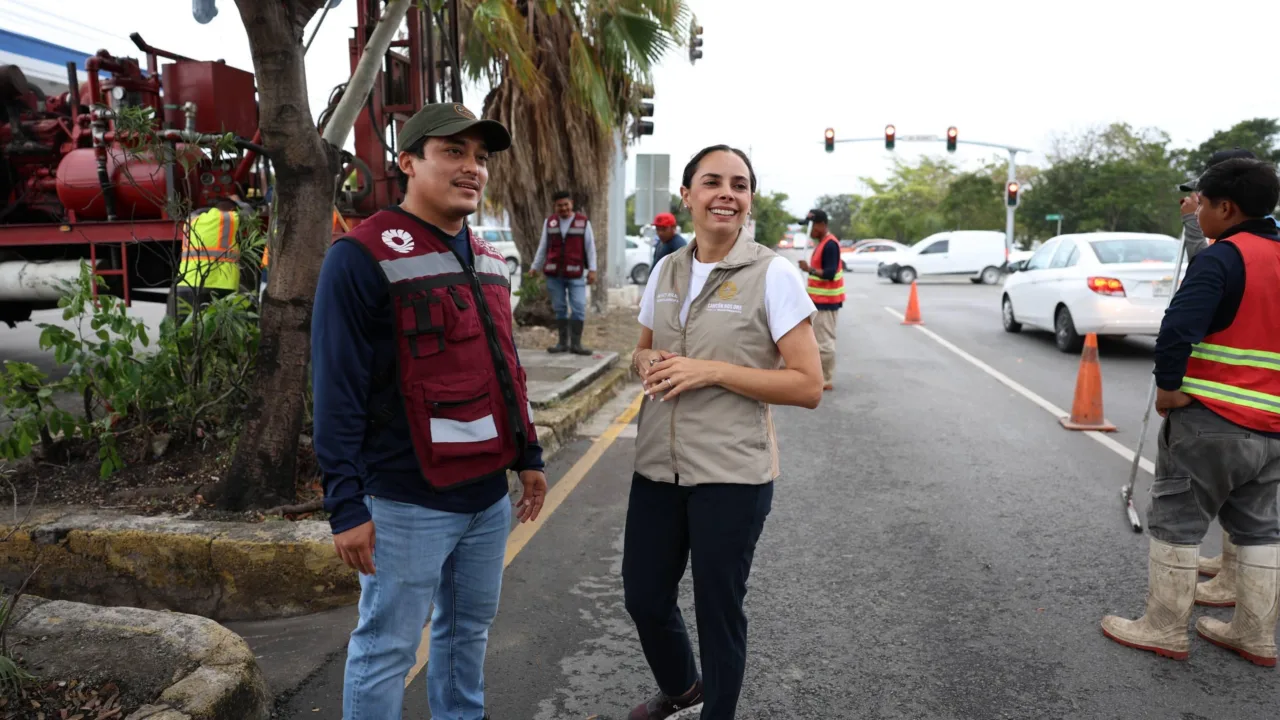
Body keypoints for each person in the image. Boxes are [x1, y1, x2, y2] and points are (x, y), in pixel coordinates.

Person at [311, 102, 549, 718]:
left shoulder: (489, 259)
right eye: (453, 152)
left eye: (480, 157)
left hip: (486, 501)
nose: (472, 168)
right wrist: (344, 504)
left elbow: (506, 368)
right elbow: (336, 392)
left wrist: (529, 455)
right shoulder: (360, 256)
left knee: (464, 637)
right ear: (409, 161)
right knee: (387, 648)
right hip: (403, 504)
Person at [617, 145, 824, 720]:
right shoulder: (666, 268)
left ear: (749, 199)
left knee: (718, 608)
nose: (726, 193)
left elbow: (808, 385)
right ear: (687, 196)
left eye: (739, 183)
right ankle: (684, 689)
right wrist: (644, 364)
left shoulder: (772, 274)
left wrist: (710, 370)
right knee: (644, 596)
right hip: (657, 467)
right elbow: (640, 352)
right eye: (712, 182)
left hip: (732, 475)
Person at [1101, 157, 1280, 667]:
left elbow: (1177, 329)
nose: (1197, 211)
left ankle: (1164, 627)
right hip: (1273, 428)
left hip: (1212, 419)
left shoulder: (1223, 258)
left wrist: (1168, 390)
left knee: (1178, 522)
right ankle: (1256, 635)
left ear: (1227, 207)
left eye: (1202, 204)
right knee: (1260, 530)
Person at [531, 190, 597, 355]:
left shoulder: (583, 223)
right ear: (555, 206)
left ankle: (576, 344)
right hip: (554, 274)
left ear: (572, 204)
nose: (564, 208)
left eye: (566, 205)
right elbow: (543, 247)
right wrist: (534, 267)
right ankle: (562, 343)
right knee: (560, 308)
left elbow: (590, 249)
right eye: (560, 206)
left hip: (575, 273)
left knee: (579, 307)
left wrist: (593, 270)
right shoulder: (550, 222)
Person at [174, 194, 247, 320]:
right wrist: (239, 202)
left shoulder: (191, 219)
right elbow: (250, 214)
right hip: (221, 286)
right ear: (229, 209)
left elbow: (198, 212)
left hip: (187, 282)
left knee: (187, 331)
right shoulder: (229, 218)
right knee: (217, 331)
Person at [797, 209, 843, 391]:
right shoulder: (823, 243)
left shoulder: (830, 245)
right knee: (816, 340)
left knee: (824, 342)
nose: (810, 231)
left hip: (827, 301)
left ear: (822, 224)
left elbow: (830, 273)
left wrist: (809, 269)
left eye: (812, 226)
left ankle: (825, 379)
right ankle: (817, 375)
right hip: (818, 299)